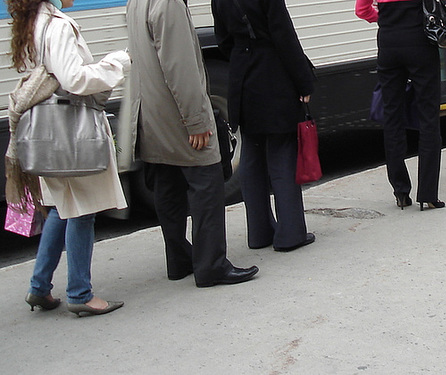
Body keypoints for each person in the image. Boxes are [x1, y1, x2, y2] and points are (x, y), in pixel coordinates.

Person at [7, 0, 132, 315]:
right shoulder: (58, 25)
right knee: (81, 212)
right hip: (69, 137)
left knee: (60, 209)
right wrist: (117, 62)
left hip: (45, 135)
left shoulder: (32, 21)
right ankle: (80, 293)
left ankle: (39, 287)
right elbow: (73, 80)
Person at [126, 0, 259, 287]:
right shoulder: (169, 4)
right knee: (207, 182)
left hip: (152, 113)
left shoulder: (136, 2)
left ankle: (178, 259)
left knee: (168, 186)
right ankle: (211, 265)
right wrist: (196, 120)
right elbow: (180, 66)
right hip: (178, 115)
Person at [211, 0, 316, 251]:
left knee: (252, 156)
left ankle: (259, 234)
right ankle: (290, 234)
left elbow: (223, 40)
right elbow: (284, 36)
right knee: (282, 157)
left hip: (242, 79)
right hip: (273, 76)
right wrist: (304, 81)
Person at [355, 0, 445, 211]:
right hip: (419, 40)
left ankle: (401, 192)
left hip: (388, 41)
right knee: (429, 117)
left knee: (392, 117)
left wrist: (383, 19)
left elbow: (361, 10)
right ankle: (429, 194)